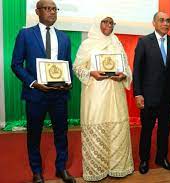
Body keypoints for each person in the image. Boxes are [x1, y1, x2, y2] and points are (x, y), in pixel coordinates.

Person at [11, 0, 75, 183]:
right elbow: (16, 64)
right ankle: (37, 171)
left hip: (59, 95)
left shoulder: (64, 38)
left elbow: (67, 64)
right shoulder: (25, 34)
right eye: (47, 9)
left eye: (54, 9)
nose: (52, 12)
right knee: (34, 134)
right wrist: (33, 83)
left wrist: (68, 81)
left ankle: (61, 169)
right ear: (37, 11)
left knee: (61, 133)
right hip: (35, 94)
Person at [73, 16, 134, 181]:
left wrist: (124, 75)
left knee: (117, 126)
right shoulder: (88, 43)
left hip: (115, 93)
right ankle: (96, 169)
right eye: (105, 22)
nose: (108, 25)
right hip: (95, 93)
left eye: (111, 23)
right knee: (97, 123)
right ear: (97, 23)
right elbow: (77, 67)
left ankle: (118, 167)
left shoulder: (116, 42)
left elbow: (126, 67)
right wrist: (91, 73)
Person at [133, 12, 170, 174]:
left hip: (167, 98)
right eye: (162, 20)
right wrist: (138, 93)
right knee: (146, 130)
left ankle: (162, 158)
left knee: (164, 130)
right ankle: (144, 160)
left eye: (168, 21)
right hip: (148, 97)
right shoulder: (144, 42)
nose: (165, 23)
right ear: (153, 23)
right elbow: (137, 70)